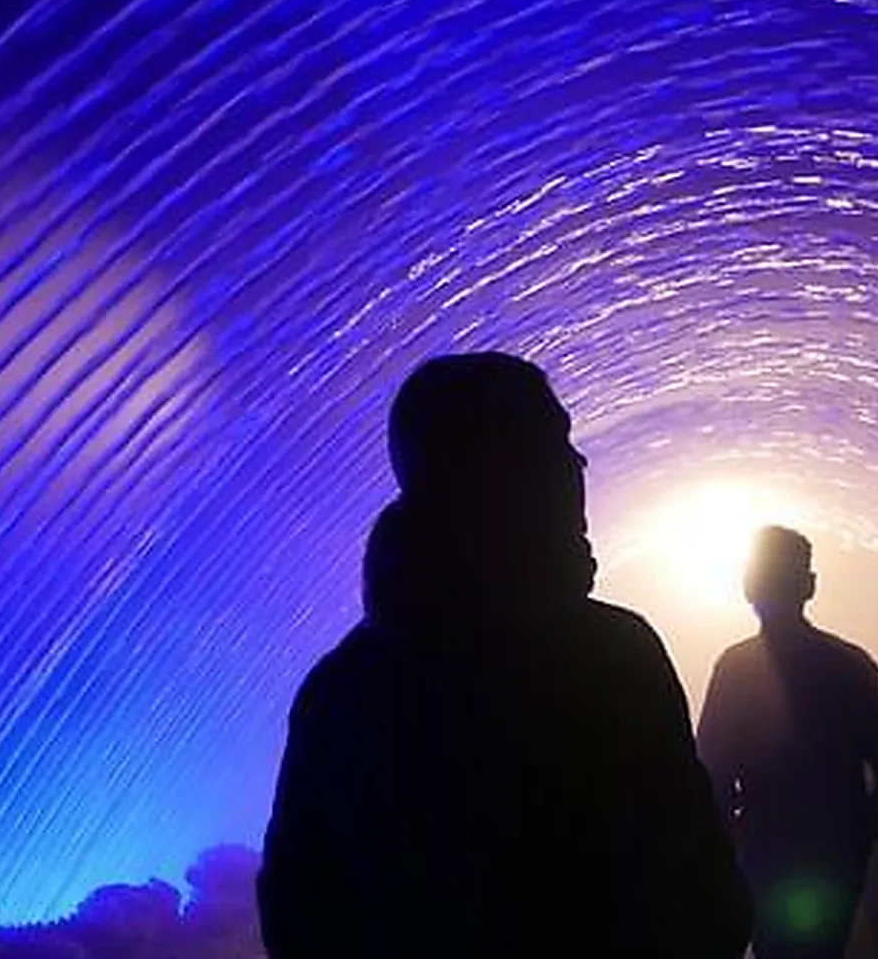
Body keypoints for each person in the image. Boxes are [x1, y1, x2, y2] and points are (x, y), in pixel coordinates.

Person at [257, 353, 751, 959]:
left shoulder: (339, 691)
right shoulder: (611, 658)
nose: (577, 464)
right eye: (554, 444)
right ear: (504, 474)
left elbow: (297, 910)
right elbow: (701, 892)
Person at [696, 526, 878, 959]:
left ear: (749, 585)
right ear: (808, 586)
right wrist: (856, 832)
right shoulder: (850, 666)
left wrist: (728, 849)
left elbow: (710, 778)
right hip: (835, 863)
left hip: (765, 857)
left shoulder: (737, 668)